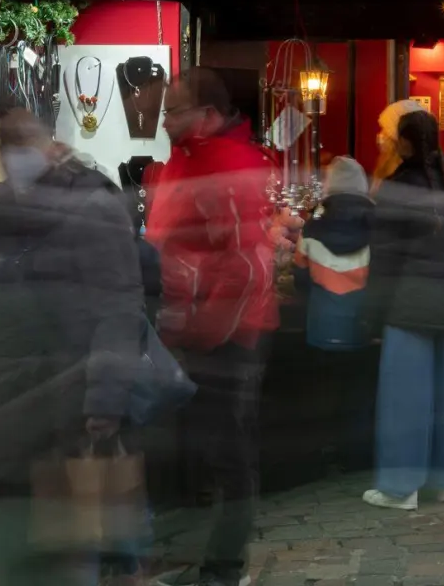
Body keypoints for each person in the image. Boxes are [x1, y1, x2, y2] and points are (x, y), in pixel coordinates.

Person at [0, 107, 143, 586]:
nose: (9, 159)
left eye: (17, 147)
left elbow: (118, 307)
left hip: (65, 404)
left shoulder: (90, 203)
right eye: (1, 149)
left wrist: (105, 399)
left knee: (66, 549)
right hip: (1, 409)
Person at [148, 70, 277, 586]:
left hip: (227, 337)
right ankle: (210, 560)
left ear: (206, 115)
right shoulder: (190, 160)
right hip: (196, 331)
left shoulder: (223, 165)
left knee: (228, 454)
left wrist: (200, 328)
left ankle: (225, 569)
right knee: (204, 449)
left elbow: (247, 267)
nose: (164, 120)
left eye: (173, 110)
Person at [361, 108, 444, 510]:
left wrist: (371, 315)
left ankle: (400, 487)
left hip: (409, 304)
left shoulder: (397, 189)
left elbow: (384, 260)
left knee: (403, 399)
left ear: (404, 143)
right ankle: (442, 482)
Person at [293, 157, 377, 470]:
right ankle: (355, 456)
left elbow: (299, 275)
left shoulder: (312, 228)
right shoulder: (376, 227)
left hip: (322, 325)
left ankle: (322, 453)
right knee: (359, 392)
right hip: (362, 325)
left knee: (323, 389)